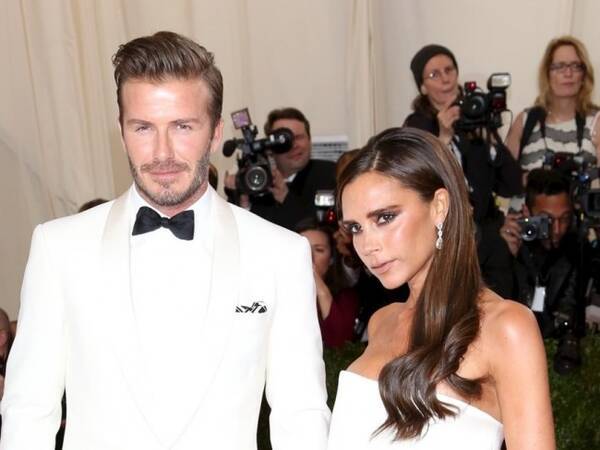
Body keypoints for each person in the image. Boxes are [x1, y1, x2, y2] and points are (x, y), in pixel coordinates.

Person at [0, 31, 330, 450]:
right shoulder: (59, 247)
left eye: (182, 126)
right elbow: (29, 410)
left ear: (215, 133)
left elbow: (301, 413)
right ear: (121, 132)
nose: (162, 153)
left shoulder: (279, 253)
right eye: (143, 128)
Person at [327, 127, 555, 449]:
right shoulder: (382, 322)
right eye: (355, 228)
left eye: (385, 218)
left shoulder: (505, 326)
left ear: (439, 206)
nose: (367, 245)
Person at [404, 44, 522, 224]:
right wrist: (443, 138)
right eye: (434, 75)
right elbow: (418, 185)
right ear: (423, 87)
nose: (445, 79)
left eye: (449, 70)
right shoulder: (417, 126)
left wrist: (490, 139)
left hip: (483, 227)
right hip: (444, 228)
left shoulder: (475, 116)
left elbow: (512, 185)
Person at [500, 169, 587, 346]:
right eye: (546, 219)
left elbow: (571, 309)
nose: (557, 229)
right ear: (526, 212)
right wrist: (503, 257)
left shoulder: (576, 249)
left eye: (564, 218)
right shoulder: (508, 247)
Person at [227, 107, 337, 230]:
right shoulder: (255, 180)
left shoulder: (330, 174)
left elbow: (324, 233)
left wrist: (286, 197)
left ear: (310, 140)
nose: (294, 145)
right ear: (270, 148)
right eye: (284, 141)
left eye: (299, 137)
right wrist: (242, 202)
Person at [505, 36, 600, 176]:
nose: (568, 73)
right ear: (547, 74)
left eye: (575, 66)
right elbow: (507, 179)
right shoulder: (526, 120)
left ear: (584, 75)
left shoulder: (596, 121)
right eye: (560, 66)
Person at [295, 218, 359, 348]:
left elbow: (340, 344)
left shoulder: (346, 296)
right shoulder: (274, 290)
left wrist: (322, 291)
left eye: (319, 250)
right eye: (302, 249)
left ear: (331, 259)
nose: (308, 256)